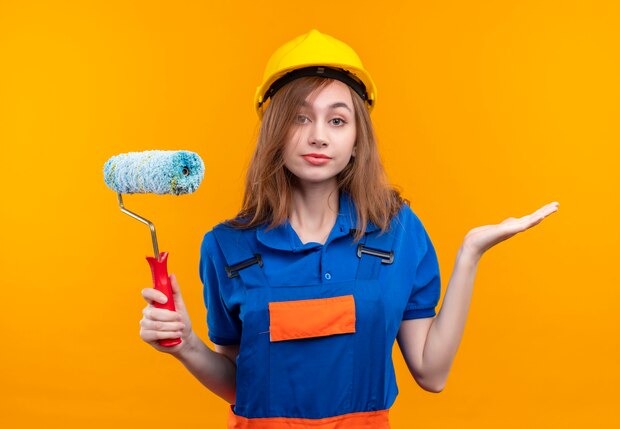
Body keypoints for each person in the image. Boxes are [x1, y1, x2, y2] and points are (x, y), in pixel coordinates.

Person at [139, 29, 559, 428]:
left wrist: (470, 253)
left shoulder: (397, 233)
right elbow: (240, 385)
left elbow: (432, 373)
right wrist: (187, 345)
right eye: (300, 118)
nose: (319, 136)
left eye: (337, 121)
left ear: (358, 139)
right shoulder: (227, 246)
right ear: (274, 133)